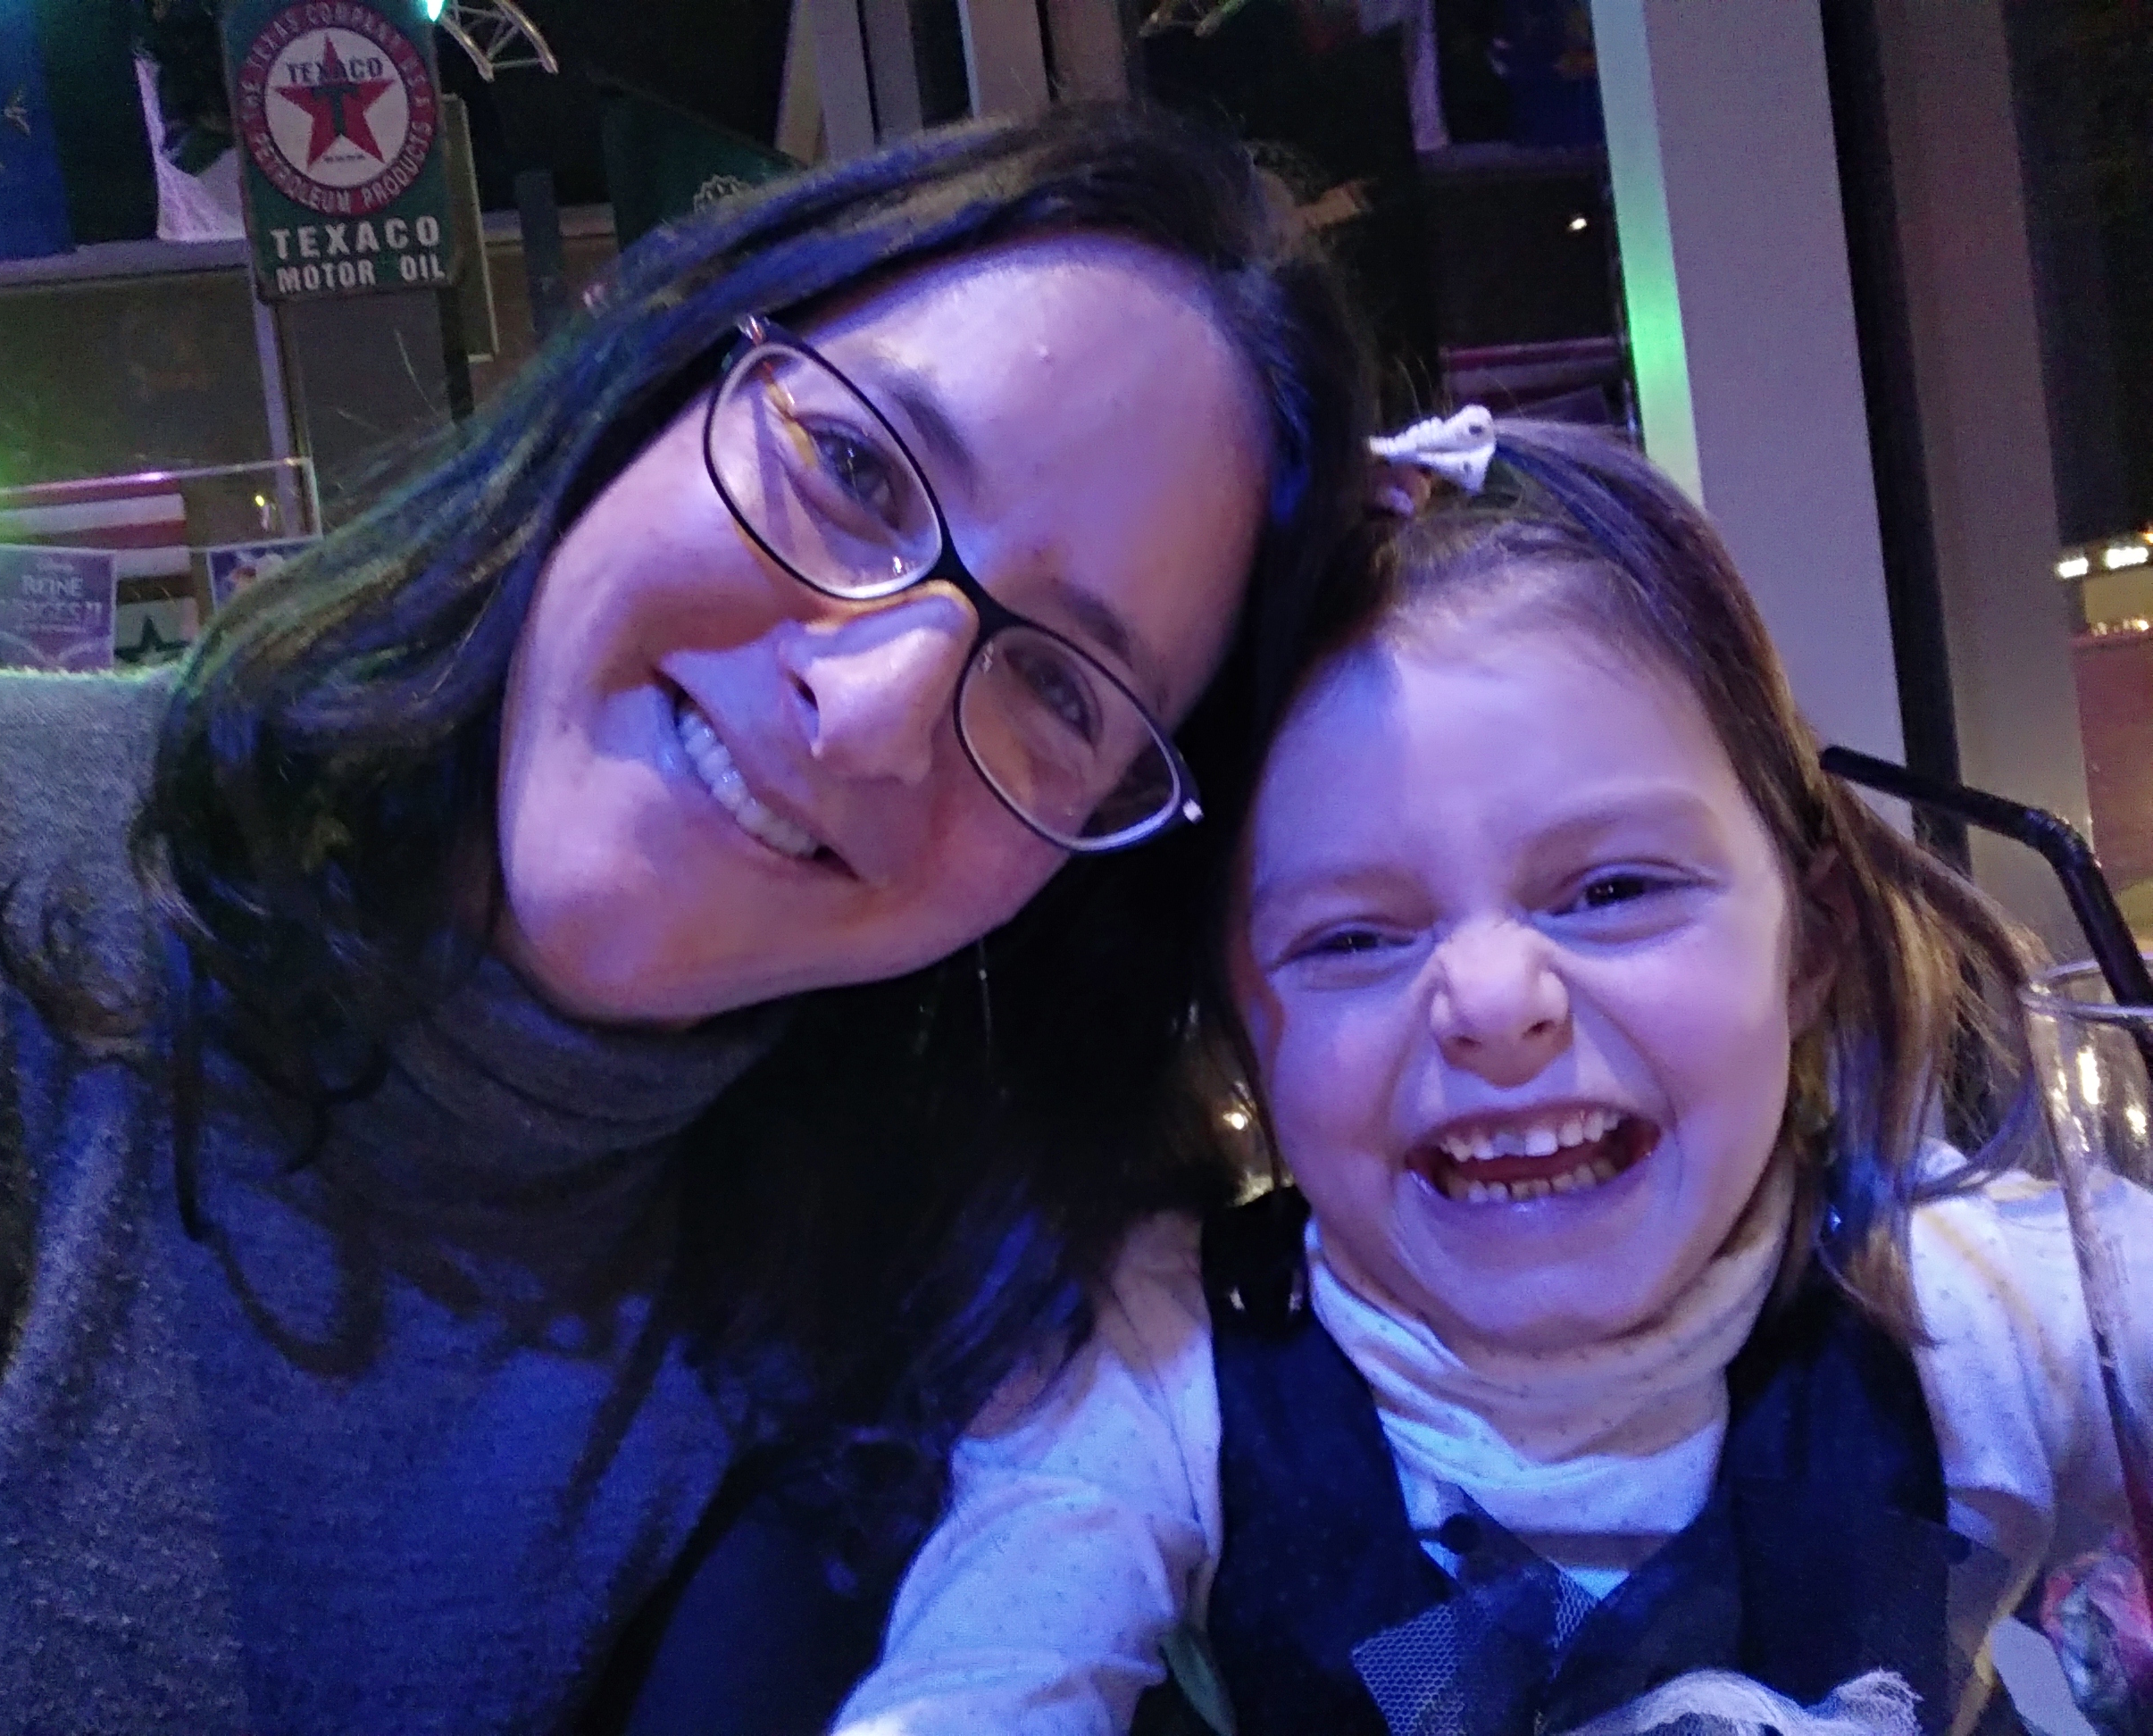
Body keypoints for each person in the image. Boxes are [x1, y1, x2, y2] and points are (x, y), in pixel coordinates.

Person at [0, 105, 1376, 1734]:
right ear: (662, 367)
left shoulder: (970, 1306)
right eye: (857, 471)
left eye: (1061, 691)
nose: (870, 712)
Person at [830, 417, 2153, 1736]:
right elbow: (981, 1684)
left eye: (1614, 890)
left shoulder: (1982, 1300)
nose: (1494, 1003)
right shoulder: (1160, 1377)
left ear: (1809, 942)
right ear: (1239, 1024)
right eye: (1352, 938)